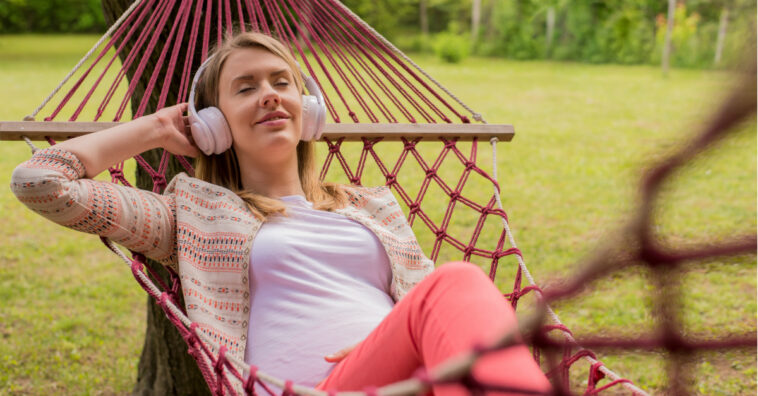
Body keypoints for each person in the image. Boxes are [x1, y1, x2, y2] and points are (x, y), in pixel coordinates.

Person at [11, 31, 551, 395]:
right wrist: (154, 130)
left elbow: (428, 314)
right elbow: (41, 183)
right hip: (311, 388)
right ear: (212, 125)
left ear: (307, 107)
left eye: (281, 82)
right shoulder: (194, 215)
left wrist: (388, 344)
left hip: (406, 376)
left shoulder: (371, 206)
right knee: (458, 283)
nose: (269, 95)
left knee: (464, 339)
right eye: (245, 88)